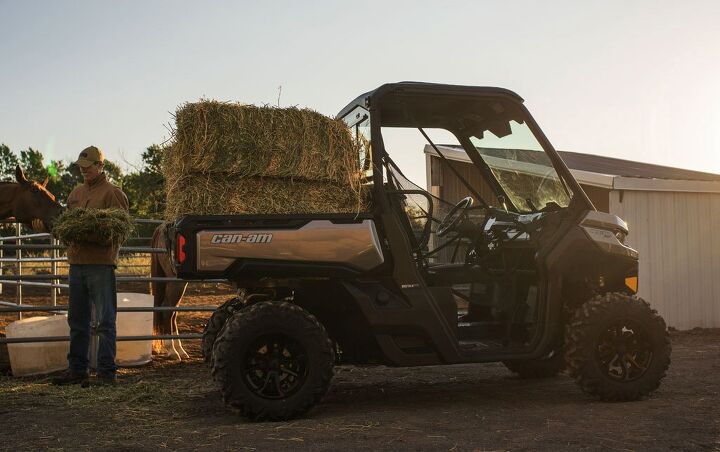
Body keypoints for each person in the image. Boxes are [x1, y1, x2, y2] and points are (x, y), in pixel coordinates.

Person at [34, 146, 129, 386]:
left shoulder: (112, 194)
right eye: (81, 168)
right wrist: (45, 227)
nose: (83, 171)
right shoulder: (75, 194)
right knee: (77, 320)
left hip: (100, 265)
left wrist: (88, 233)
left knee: (106, 321)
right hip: (76, 265)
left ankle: (107, 373)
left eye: (88, 167)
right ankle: (77, 370)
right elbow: (66, 229)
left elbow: (117, 232)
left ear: (100, 166)